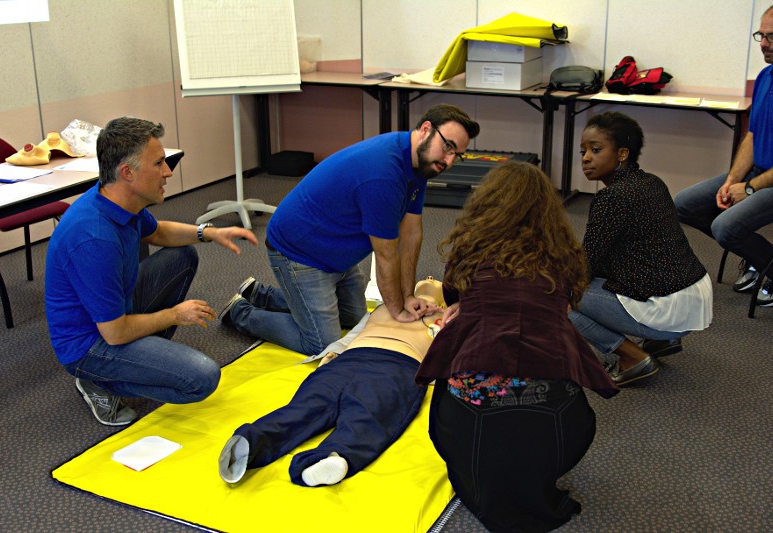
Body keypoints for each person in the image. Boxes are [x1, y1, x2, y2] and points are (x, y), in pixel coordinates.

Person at [415, 162, 618, 532]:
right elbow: (567, 306)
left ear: (487, 203)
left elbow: (451, 296)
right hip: (556, 417)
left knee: (449, 390)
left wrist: (473, 305)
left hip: (475, 415)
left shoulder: (470, 250)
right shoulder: (564, 255)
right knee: (558, 396)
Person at [45, 117, 258, 426]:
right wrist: (175, 315)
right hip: (91, 345)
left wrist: (208, 233)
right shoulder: (94, 238)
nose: (168, 171)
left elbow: (158, 233)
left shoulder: (116, 200)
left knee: (183, 255)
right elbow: (115, 333)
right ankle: (97, 382)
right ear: (127, 173)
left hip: (115, 312)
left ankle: (142, 356)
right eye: (159, 164)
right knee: (202, 377)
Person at [219, 104, 480, 355]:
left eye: (457, 155)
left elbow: (411, 234)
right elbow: (387, 253)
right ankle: (241, 312)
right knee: (322, 342)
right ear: (425, 129)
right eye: (447, 147)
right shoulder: (385, 173)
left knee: (356, 321)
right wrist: (398, 309)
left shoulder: (419, 162)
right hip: (299, 254)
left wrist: (407, 295)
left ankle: (260, 294)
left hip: (337, 253)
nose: (448, 160)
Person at [218, 278, 445, 488]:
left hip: (383, 364)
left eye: (435, 280)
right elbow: (353, 334)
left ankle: (312, 452)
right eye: (427, 278)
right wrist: (332, 354)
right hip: (365, 362)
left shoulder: (441, 316)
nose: (430, 279)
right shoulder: (387, 307)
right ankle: (265, 443)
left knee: (342, 414)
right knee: (332, 412)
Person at [569, 112, 712, 386]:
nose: (586, 158)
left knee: (555, 296)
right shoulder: (651, 182)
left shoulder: (613, 197)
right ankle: (663, 340)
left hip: (669, 308)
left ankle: (632, 357)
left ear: (622, 153)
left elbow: (585, 265)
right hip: (692, 294)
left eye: (596, 150)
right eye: (583, 151)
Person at [674, 5, 773, 306]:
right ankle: (760, 260)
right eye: (762, 35)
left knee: (725, 227)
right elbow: (753, 135)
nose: (764, 44)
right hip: (760, 171)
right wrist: (732, 180)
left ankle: (769, 266)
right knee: (683, 205)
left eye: (772, 36)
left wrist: (751, 188)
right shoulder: (766, 76)